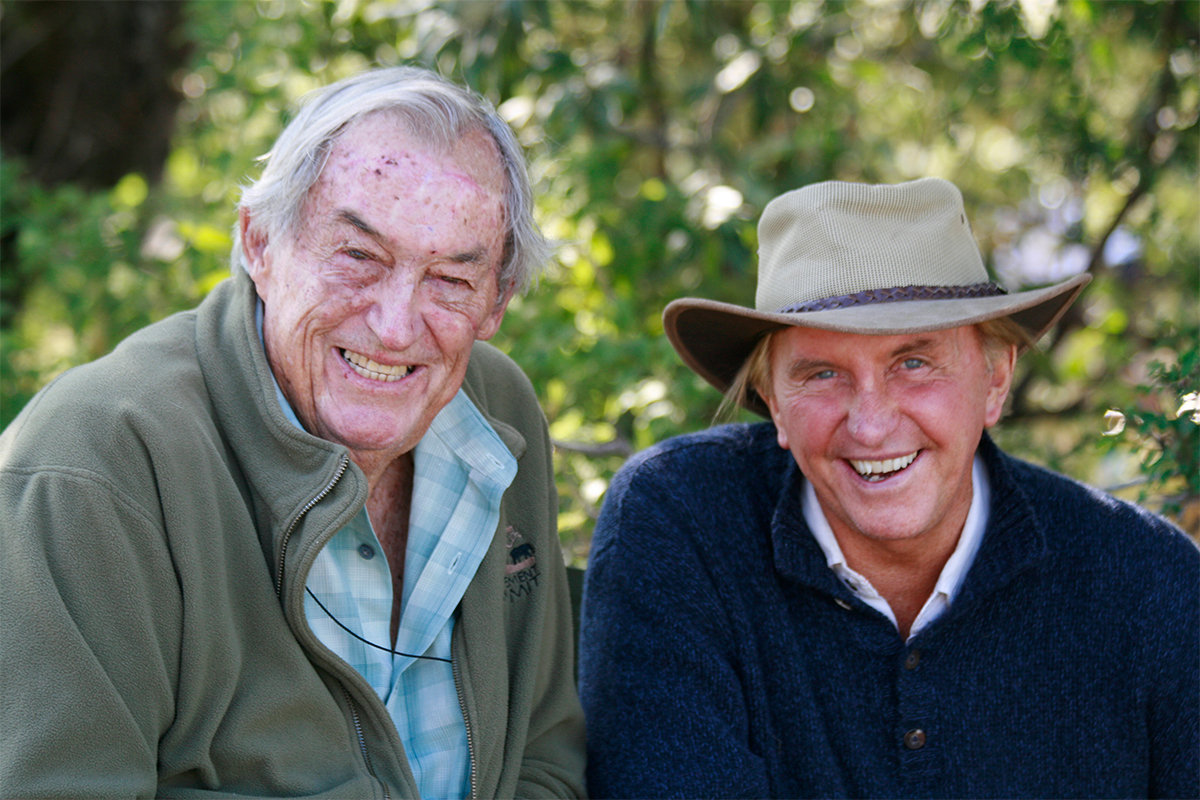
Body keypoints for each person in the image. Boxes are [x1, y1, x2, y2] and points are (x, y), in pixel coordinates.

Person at [1, 66, 585, 798]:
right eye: (358, 257)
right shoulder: (95, 463)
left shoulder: (497, 412)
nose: (396, 325)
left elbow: (546, 757)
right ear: (260, 244)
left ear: (496, 302)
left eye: (451, 280)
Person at [578, 178, 1199, 798]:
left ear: (995, 379)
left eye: (913, 363)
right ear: (772, 401)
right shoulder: (681, 522)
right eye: (822, 373)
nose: (871, 425)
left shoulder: (1149, 582)